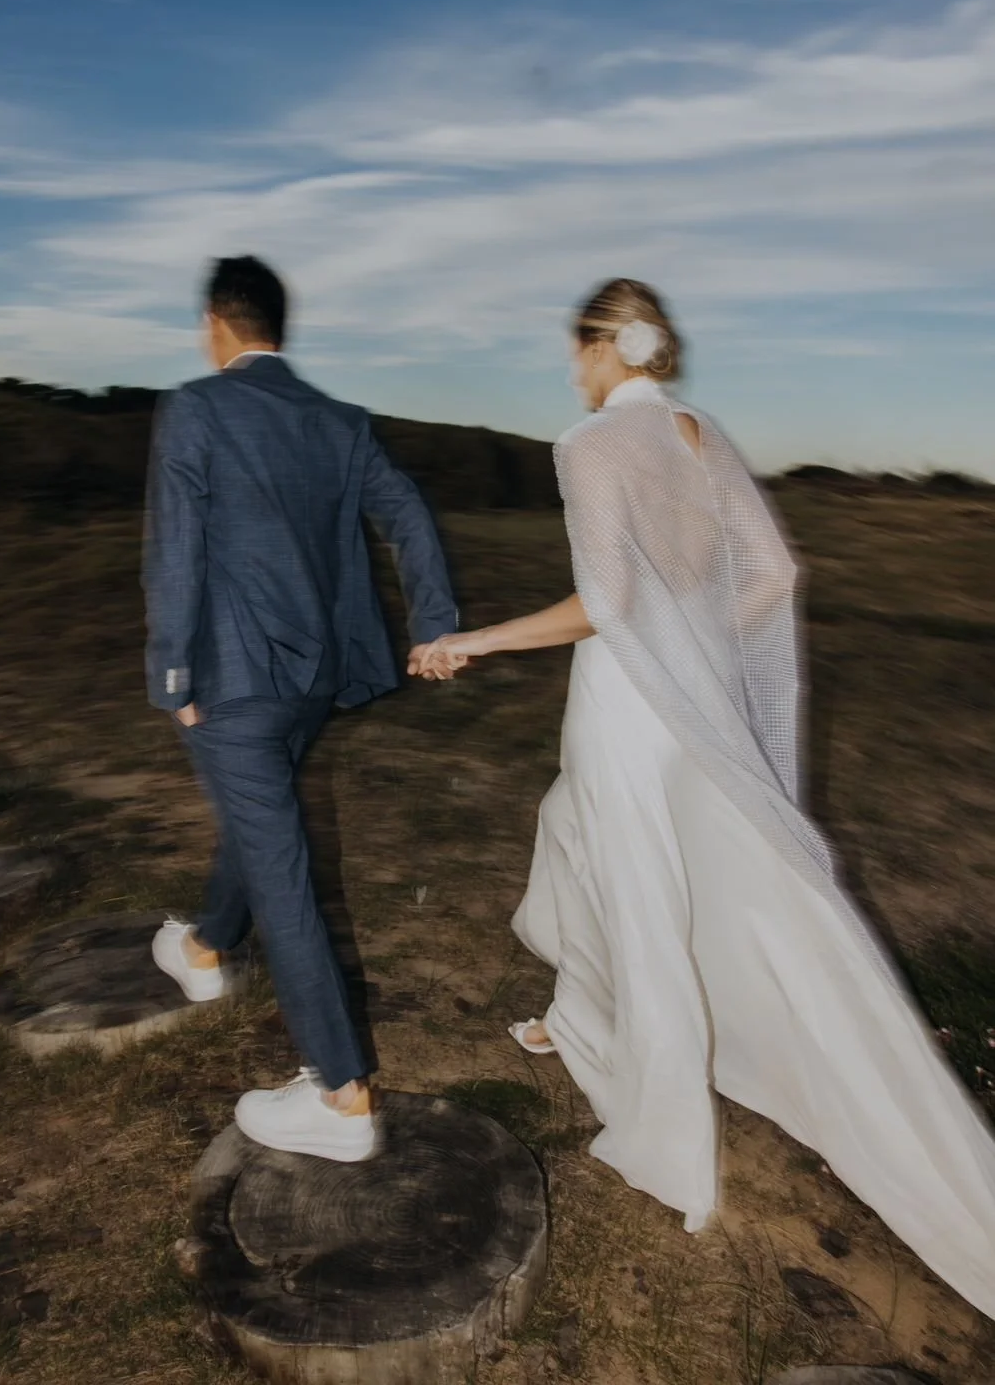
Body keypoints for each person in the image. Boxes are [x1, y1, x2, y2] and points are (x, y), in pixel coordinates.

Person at [418, 278, 995, 1320]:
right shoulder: (695, 432)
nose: (572, 371)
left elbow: (605, 603)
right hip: (692, 716)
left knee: (638, 889)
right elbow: (771, 571)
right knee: (574, 836)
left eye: (577, 351)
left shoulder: (590, 445)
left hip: (628, 712)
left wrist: (477, 639)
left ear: (604, 347)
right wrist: (702, 656)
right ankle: (574, 1011)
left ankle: (668, 1140)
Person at [143, 255, 457, 1161]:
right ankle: (203, 950)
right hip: (315, 682)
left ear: (217, 324)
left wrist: (175, 681)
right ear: (279, 326)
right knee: (262, 820)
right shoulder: (340, 422)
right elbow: (410, 516)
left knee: (282, 869)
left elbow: (174, 554)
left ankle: (342, 1092)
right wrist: (432, 621)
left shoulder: (197, 408)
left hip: (232, 685)